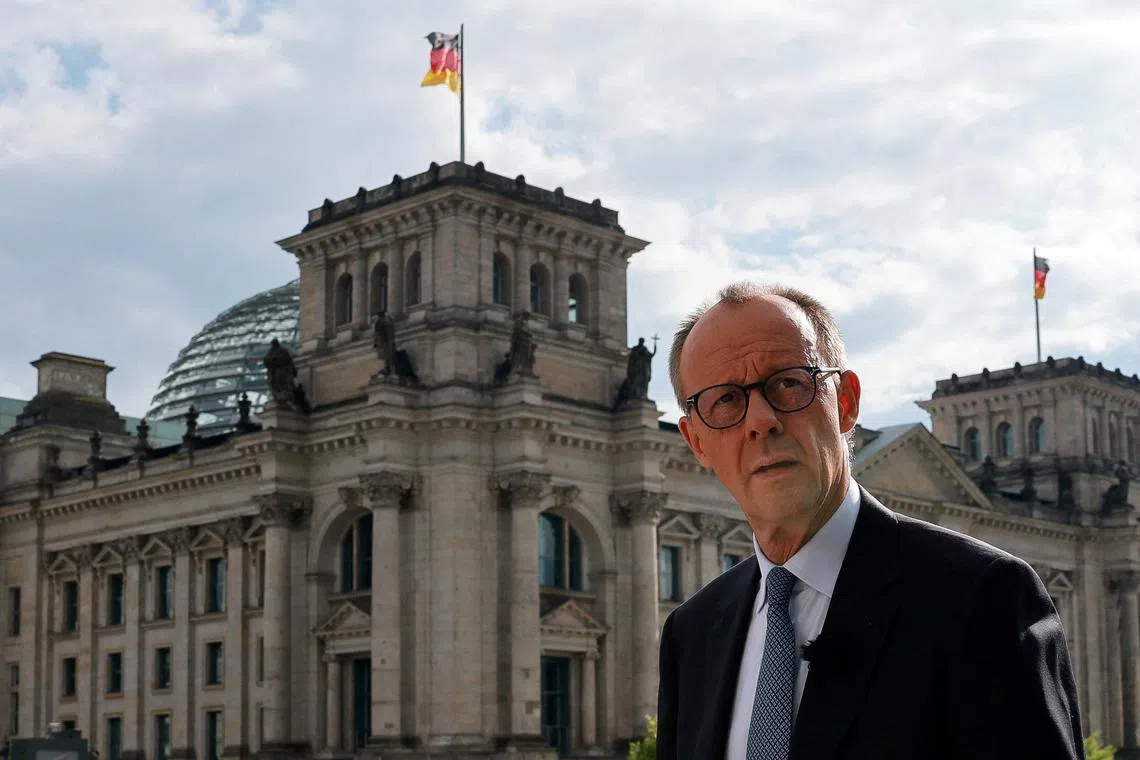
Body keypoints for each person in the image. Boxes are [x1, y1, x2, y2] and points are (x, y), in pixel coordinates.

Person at [655, 281, 1083, 759]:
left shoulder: (983, 596)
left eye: (788, 383)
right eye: (726, 400)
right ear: (696, 442)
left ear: (845, 403)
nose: (760, 420)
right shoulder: (690, 634)